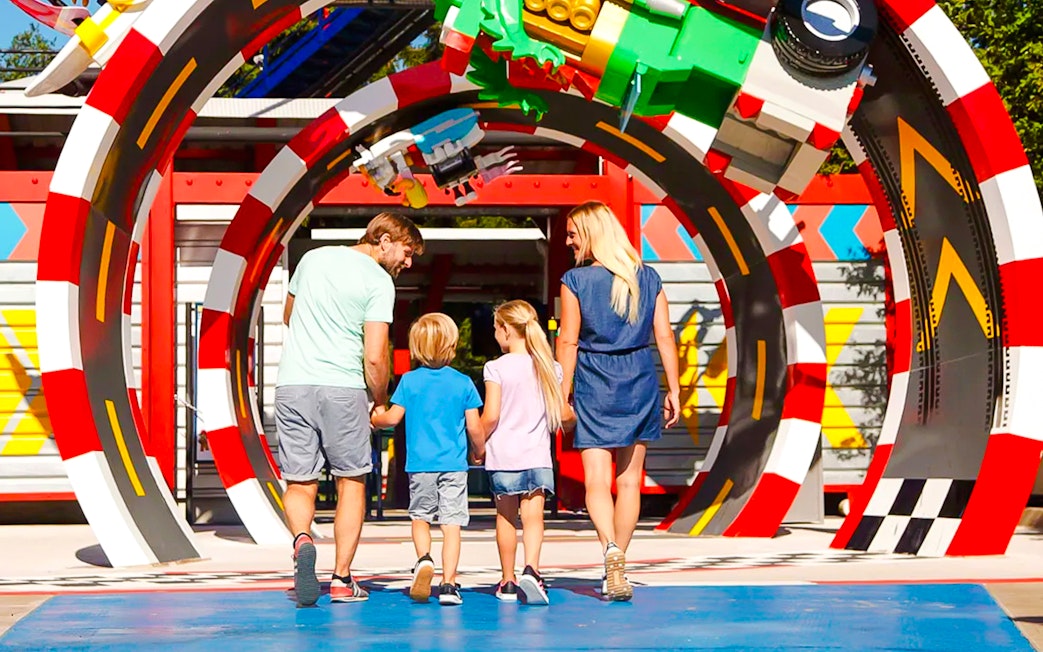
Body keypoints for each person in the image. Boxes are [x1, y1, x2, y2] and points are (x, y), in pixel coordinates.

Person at [276, 212, 423, 607]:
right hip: (343, 387)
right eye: (407, 252)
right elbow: (374, 357)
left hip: (293, 384)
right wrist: (380, 398)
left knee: (299, 482)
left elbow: (288, 315)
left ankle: (302, 539)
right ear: (385, 239)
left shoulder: (312, 258)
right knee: (351, 482)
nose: (407, 263)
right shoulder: (378, 281)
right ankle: (341, 578)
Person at [555, 201, 680, 602]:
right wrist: (674, 388)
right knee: (629, 481)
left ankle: (609, 550)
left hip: (594, 381)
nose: (568, 239)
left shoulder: (574, 281)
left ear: (593, 233)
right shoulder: (649, 277)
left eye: (573, 233)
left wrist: (561, 394)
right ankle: (619, 561)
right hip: (640, 378)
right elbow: (664, 336)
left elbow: (569, 341)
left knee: (597, 480)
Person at [370, 313, 484, 606]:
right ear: (453, 345)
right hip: (454, 465)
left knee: (420, 518)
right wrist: (479, 451)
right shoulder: (463, 383)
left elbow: (393, 419)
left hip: (420, 465)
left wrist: (374, 418)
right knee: (452, 524)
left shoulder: (410, 381)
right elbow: (474, 426)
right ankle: (449, 584)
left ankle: (423, 559)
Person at [480, 300, 563, 605]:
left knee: (506, 518)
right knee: (534, 518)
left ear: (505, 330)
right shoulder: (551, 367)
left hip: (503, 455)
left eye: (495, 329)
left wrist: (477, 445)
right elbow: (562, 415)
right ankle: (533, 569)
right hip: (537, 454)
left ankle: (508, 580)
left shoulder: (495, 367)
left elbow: (491, 416)